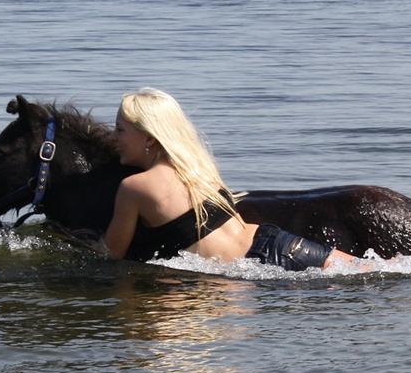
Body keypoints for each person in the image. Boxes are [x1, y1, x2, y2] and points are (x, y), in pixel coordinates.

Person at [100, 88, 372, 272]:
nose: (113, 138)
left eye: (120, 130)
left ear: (149, 138)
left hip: (251, 267)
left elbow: (111, 256)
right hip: (277, 241)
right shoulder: (197, 166)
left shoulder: (134, 188)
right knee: (374, 272)